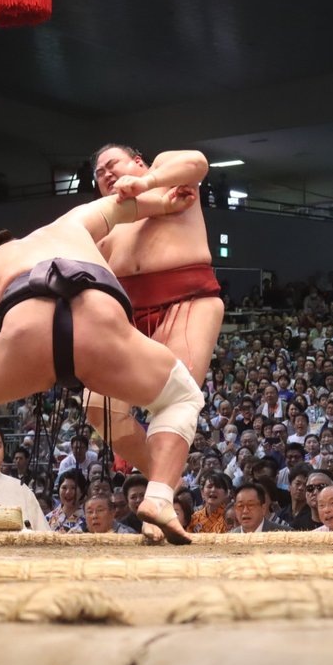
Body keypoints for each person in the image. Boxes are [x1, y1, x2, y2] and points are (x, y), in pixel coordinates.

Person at [0, 185, 204, 546]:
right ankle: (160, 498)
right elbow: (119, 207)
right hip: (102, 326)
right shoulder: (69, 225)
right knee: (181, 397)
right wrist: (162, 202)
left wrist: (16, 368)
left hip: (25, 330)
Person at [82, 144, 225, 479]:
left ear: (138, 162)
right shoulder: (104, 219)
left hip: (186, 301)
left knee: (175, 397)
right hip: (124, 317)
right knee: (98, 408)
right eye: (99, 174)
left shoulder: (165, 176)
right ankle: (161, 479)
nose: (105, 174)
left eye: (111, 164)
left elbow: (198, 162)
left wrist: (148, 184)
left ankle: (161, 488)